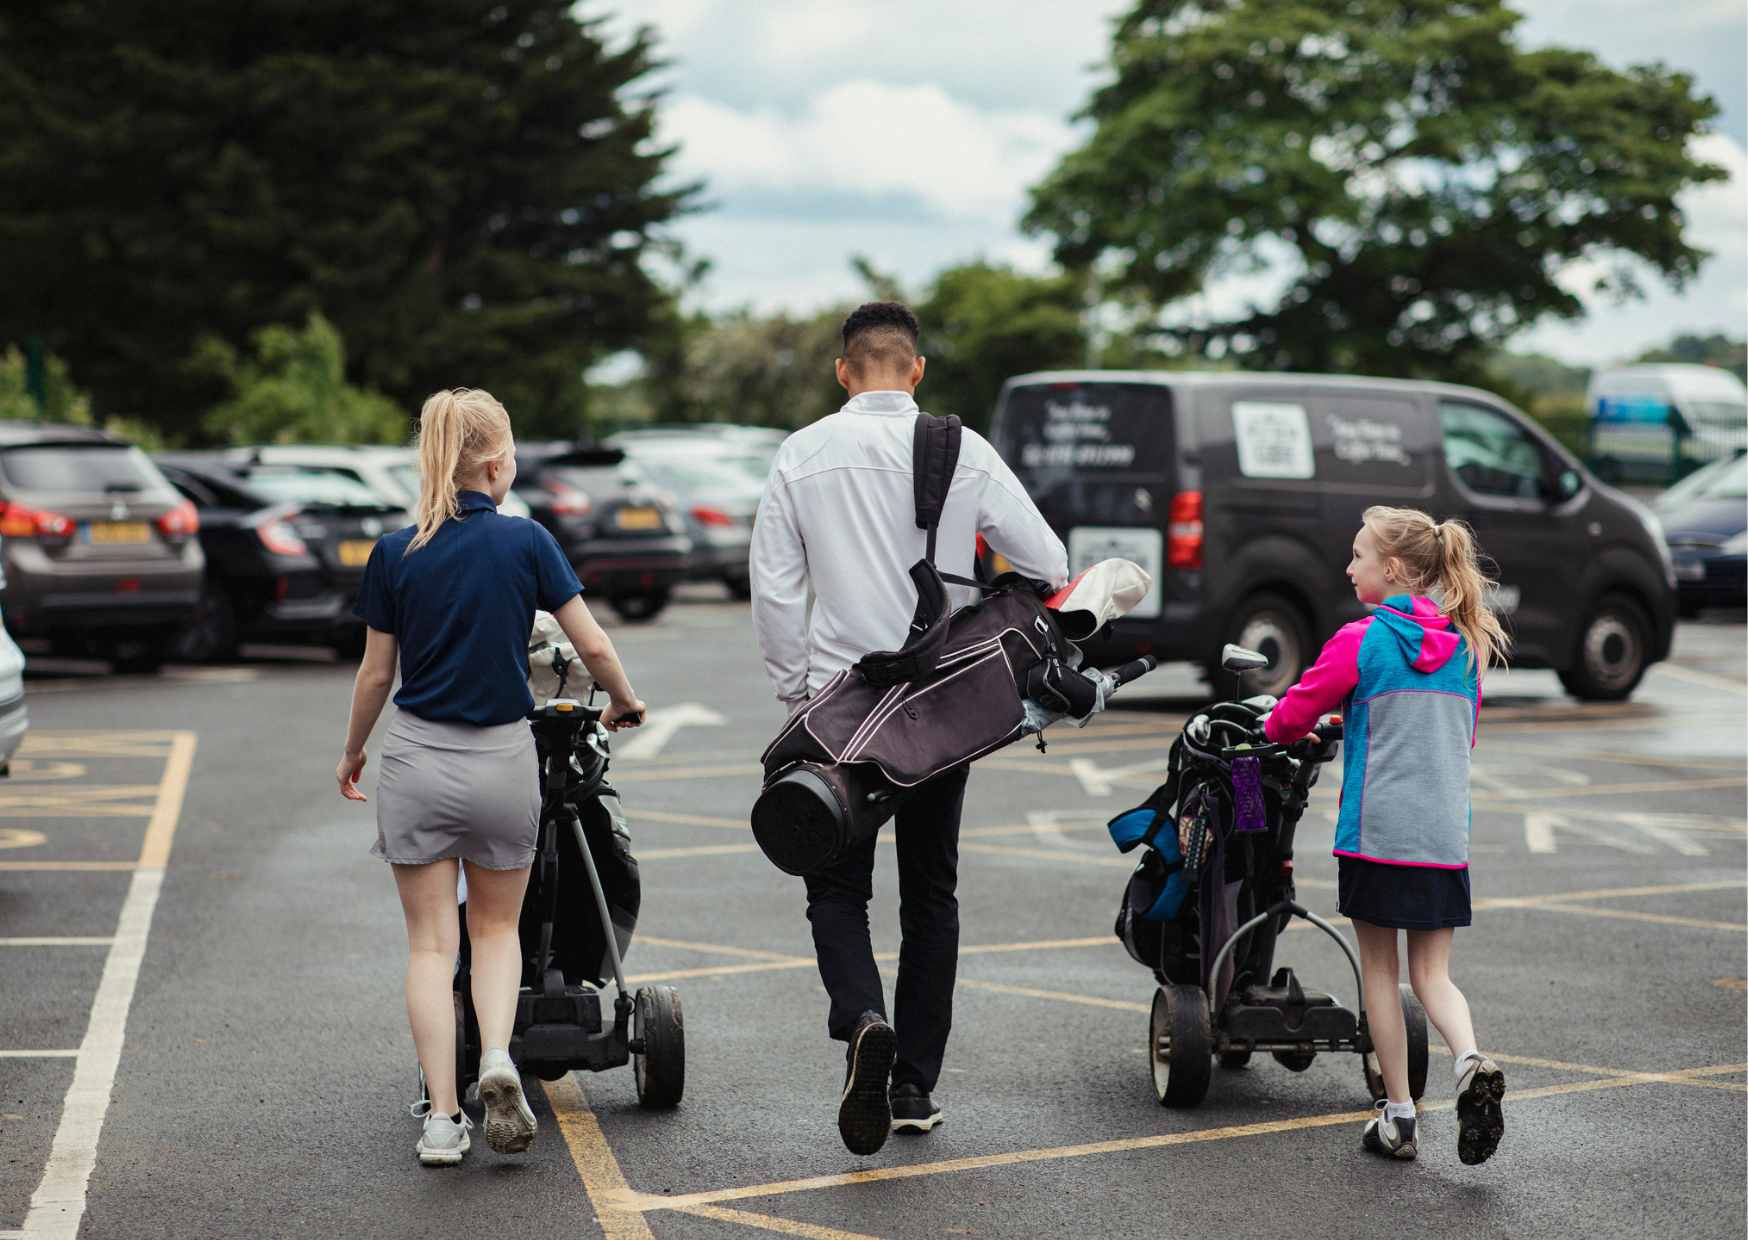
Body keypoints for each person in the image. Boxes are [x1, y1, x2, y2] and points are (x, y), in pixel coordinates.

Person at [749, 301, 1069, 1156]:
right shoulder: (963, 450)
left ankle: (863, 1020)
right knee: (931, 894)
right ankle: (914, 1084)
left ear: (843, 371)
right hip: (936, 708)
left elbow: (775, 590)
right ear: (916, 368)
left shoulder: (801, 453)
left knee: (835, 889)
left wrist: (796, 693)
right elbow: (1049, 563)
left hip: (837, 710)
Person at [335, 388, 647, 1168]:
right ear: (500, 464)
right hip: (503, 760)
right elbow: (592, 645)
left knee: (430, 948)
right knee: (497, 930)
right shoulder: (527, 542)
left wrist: (352, 752)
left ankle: (444, 1120)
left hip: (417, 758)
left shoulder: (394, 551)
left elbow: (375, 676)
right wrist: (623, 700)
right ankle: (501, 1056)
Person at [1263, 505, 1509, 1165]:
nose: (1350, 568)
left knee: (1380, 970)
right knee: (1433, 975)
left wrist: (1279, 729)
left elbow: (1292, 716)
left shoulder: (1361, 640)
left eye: (1359, 556)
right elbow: (1461, 738)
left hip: (1377, 834)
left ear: (1393, 569)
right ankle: (1470, 1059)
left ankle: (1399, 1117)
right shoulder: (1467, 648)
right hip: (1443, 838)